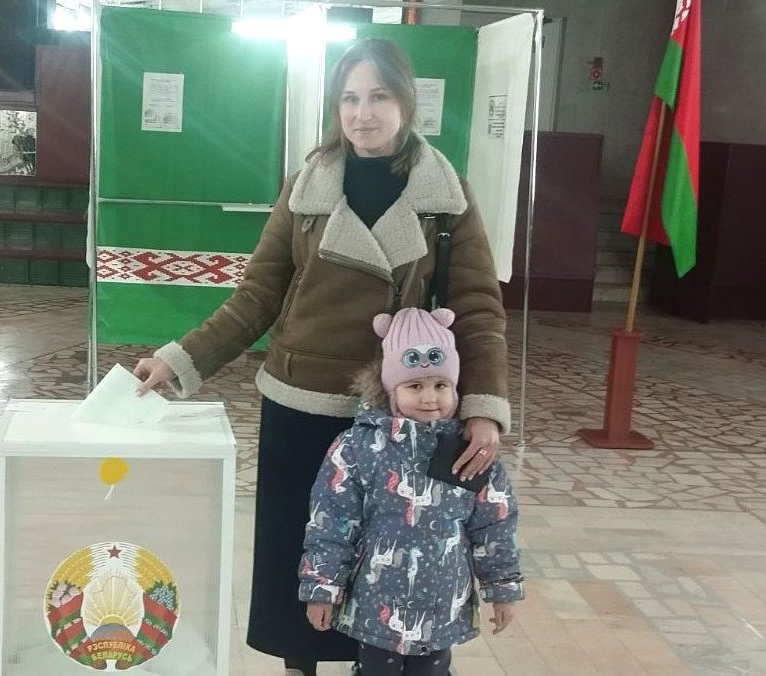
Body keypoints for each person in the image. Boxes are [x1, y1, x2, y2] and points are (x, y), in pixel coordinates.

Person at [133, 38, 511, 676]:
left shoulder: (446, 197)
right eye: (349, 98)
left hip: (397, 417)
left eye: (378, 96)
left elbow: (478, 309)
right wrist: (180, 359)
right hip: (300, 403)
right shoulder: (306, 189)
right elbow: (256, 296)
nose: (362, 113)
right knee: (299, 553)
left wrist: (482, 408)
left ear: (406, 102)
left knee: (384, 560)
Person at [299, 307, 523, 676]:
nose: (430, 398)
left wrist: (503, 588)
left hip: (442, 604)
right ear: (391, 390)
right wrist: (322, 588)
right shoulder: (358, 448)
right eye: (415, 386)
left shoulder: (470, 452)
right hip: (376, 602)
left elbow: (494, 525)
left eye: (441, 385)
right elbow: (331, 522)